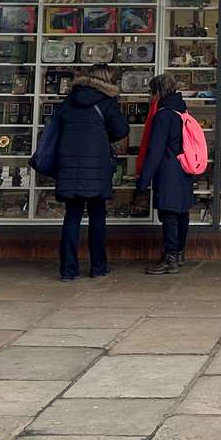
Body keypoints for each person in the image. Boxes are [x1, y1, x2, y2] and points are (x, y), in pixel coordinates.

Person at [51, 64, 129, 281]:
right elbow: (122, 130)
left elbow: (57, 128)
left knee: (72, 217)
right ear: (106, 80)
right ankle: (98, 266)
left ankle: (68, 270)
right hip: (96, 168)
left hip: (69, 166)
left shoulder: (69, 101)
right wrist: (104, 139)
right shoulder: (107, 102)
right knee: (97, 217)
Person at [134, 72, 195, 275]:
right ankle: (179, 253)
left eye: (152, 92)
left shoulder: (163, 115)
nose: (151, 97)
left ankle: (170, 258)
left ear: (158, 92)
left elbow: (155, 151)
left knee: (168, 213)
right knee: (182, 213)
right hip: (184, 167)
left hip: (168, 170)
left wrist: (143, 181)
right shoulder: (182, 112)